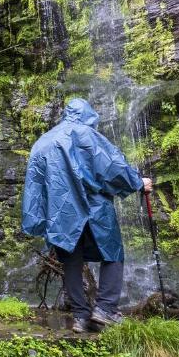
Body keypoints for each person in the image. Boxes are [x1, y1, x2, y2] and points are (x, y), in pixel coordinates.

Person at [22, 97, 152, 333]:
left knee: (71, 261)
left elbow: (34, 186)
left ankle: (81, 316)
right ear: (87, 116)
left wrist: (38, 218)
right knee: (113, 253)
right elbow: (111, 166)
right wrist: (137, 182)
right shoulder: (86, 135)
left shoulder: (42, 142)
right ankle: (106, 309)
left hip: (60, 213)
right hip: (94, 208)